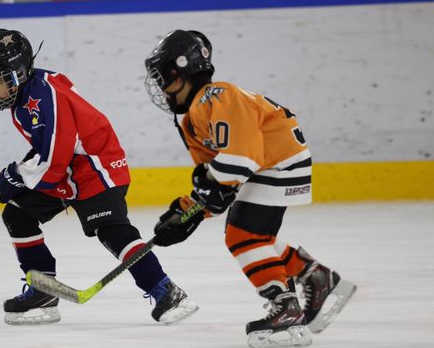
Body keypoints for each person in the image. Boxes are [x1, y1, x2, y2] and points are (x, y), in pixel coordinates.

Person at [0, 28, 199, 326]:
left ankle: (166, 291)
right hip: (69, 170)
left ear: (19, 72)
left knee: (112, 231)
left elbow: (54, 158)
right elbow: (50, 151)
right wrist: (20, 173)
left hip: (96, 167)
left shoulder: (45, 96)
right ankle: (43, 291)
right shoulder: (25, 96)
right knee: (18, 215)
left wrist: (17, 174)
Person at [144, 30, 357, 347]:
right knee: (256, 237)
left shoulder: (218, 96)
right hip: (268, 165)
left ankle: (286, 310)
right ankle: (316, 277)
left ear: (181, 69)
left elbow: (240, 159)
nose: (161, 88)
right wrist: (186, 212)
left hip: (280, 163)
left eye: (163, 77)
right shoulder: (191, 120)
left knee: (242, 235)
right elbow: (217, 189)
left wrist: (204, 195)